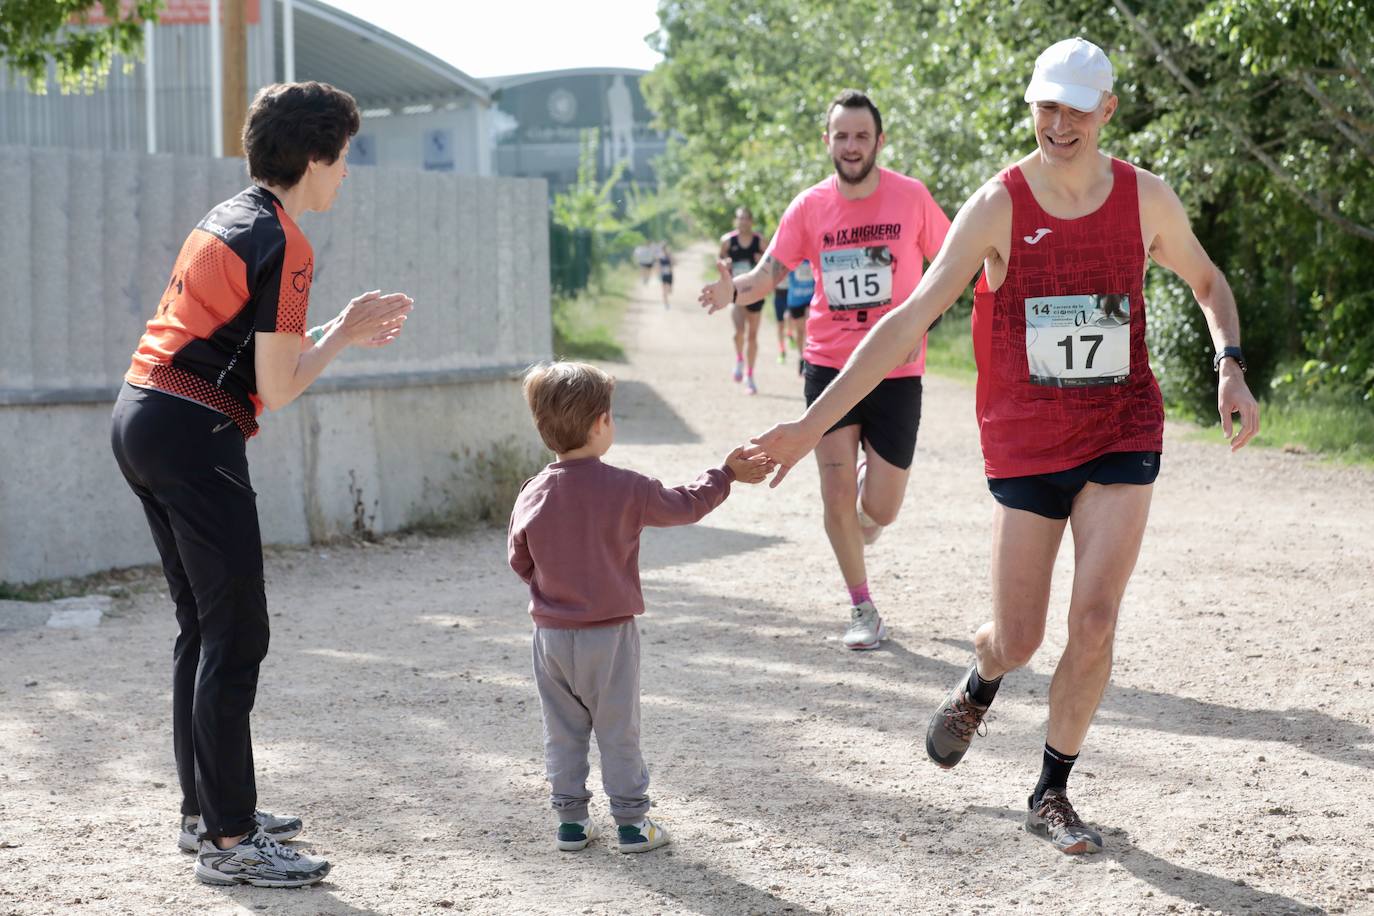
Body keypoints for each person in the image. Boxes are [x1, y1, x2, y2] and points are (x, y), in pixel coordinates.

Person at [752, 39, 1260, 854]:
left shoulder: (1145, 199)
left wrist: (1229, 366)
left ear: (1108, 111)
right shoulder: (998, 205)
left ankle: (1052, 790)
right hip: (1026, 445)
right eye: (1045, 107)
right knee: (1017, 638)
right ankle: (984, 677)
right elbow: (907, 320)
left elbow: (1207, 283)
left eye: (1076, 108)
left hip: (1123, 430)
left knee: (1093, 620)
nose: (1059, 124)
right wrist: (809, 427)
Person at [110, 81, 414, 887]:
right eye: (344, 157)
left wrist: (335, 330)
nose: (347, 173)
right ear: (315, 157)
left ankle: (204, 814)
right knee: (236, 635)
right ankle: (232, 843)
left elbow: (254, 359)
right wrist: (345, 337)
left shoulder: (229, 215)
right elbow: (279, 390)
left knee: (202, 630)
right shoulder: (286, 244)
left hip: (143, 415)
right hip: (190, 436)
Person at [700, 90, 951, 649]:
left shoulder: (911, 198)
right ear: (827, 141)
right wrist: (732, 290)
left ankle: (868, 512)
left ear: (879, 141)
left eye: (862, 135)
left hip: (895, 372)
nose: (852, 145)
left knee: (878, 508)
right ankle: (862, 607)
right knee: (834, 492)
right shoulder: (809, 207)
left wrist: (927, 322)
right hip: (828, 367)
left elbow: (953, 264)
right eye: (842, 135)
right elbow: (768, 275)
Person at [508, 362, 771, 854]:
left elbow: (519, 559)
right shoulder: (627, 487)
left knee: (562, 731)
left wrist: (552, 591)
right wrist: (726, 473)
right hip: (609, 635)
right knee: (617, 729)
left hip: (549, 638)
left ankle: (570, 823)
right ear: (601, 423)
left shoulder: (531, 492)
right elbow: (687, 504)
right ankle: (631, 823)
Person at [719, 207, 768, 394]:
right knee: (739, 332)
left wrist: (761, 259)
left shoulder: (759, 241)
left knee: (753, 336)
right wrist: (725, 264)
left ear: (751, 221)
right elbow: (720, 260)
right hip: (737, 294)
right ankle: (739, 359)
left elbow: (772, 262)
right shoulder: (727, 241)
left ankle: (750, 375)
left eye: (747, 219)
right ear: (736, 221)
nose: (743, 222)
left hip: (755, 293)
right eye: (740, 218)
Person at [657, 240, 674, 309]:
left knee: (669, 290)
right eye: (663, 248)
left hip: (669, 274)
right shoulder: (660, 256)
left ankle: (666, 301)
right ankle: (666, 304)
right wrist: (658, 274)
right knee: (664, 291)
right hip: (663, 275)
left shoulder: (669, 255)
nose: (664, 249)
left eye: (665, 248)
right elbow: (658, 266)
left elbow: (673, 263)